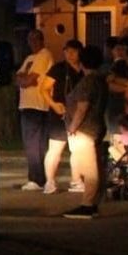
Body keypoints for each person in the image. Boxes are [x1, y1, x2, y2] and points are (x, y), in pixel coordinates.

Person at [63, 43, 109, 219]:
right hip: (95, 126)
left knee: (89, 169)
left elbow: (82, 107)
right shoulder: (100, 80)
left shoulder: (88, 81)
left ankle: (87, 205)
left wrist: (73, 127)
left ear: (82, 62)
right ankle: (93, 203)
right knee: (92, 166)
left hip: (84, 129)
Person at [39, 41, 82, 195]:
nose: (70, 55)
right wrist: (54, 104)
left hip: (77, 113)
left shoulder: (84, 69)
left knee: (77, 149)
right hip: (59, 112)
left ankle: (76, 180)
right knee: (55, 149)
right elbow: (44, 88)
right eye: (67, 51)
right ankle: (49, 181)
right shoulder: (58, 68)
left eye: (74, 51)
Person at [14, 29, 53, 191]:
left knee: (34, 143)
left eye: (35, 39)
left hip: (37, 105)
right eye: (30, 39)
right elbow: (17, 79)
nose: (32, 43)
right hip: (27, 104)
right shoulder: (30, 58)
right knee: (33, 143)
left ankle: (36, 179)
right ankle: (38, 177)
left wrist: (24, 79)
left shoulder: (44, 55)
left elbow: (28, 80)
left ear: (41, 40)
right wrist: (23, 79)